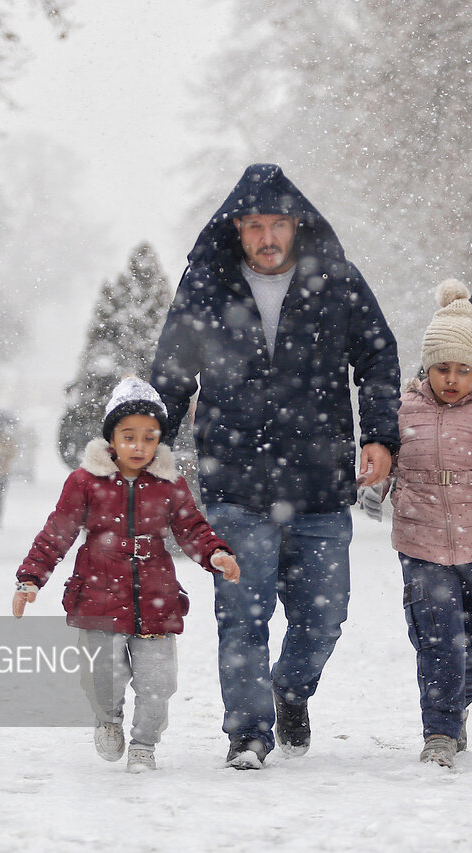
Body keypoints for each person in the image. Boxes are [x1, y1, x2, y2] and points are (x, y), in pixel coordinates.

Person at [150, 163, 401, 769]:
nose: (267, 237)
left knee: (326, 616)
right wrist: (152, 447)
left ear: (297, 225)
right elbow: (173, 372)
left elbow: (377, 357)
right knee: (242, 616)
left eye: (278, 224)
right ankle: (248, 733)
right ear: (237, 228)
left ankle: (289, 691)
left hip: (319, 481)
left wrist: (381, 437)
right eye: (255, 225)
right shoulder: (207, 284)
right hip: (236, 478)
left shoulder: (336, 281)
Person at [13, 377, 241, 773]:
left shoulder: (169, 483)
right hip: (98, 593)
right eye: (129, 436)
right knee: (103, 677)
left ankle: (144, 745)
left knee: (158, 683)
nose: (139, 446)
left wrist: (215, 553)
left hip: (156, 593)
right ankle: (108, 719)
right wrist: (30, 578)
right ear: (111, 438)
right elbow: (58, 532)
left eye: (149, 437)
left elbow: (191, 527)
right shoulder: (85, 482)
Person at [361, 280, 472, 768]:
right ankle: (439, 729)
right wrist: (376, 486)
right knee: (437, 639)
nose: (451, 379)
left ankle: (456, 704)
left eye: (462, 369)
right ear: (426, 367)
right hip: (422, 542)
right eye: (441, 368)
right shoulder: (405, 409)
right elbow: (387, 460)